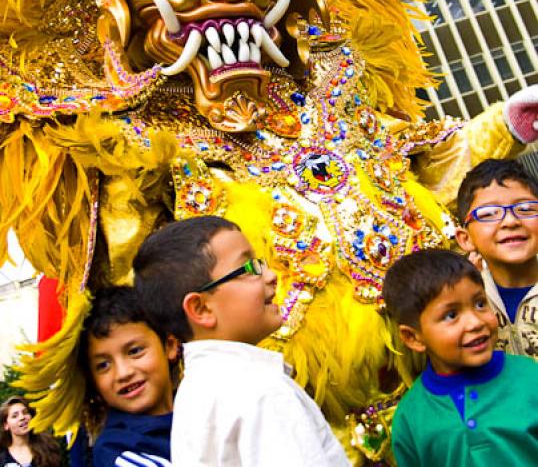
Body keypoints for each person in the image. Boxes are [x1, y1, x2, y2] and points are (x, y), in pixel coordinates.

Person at [133, 215, 350, 467]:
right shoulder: (261, 391)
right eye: (248, 269)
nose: (271, 276)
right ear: (201, 308)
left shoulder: (196, 390)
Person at [383, 248, 538, 466]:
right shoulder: (411, 418)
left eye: (480, 304)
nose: (475, 322)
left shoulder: (530, 377)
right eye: (451, 315)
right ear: (413, 338)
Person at [78, 285, 178, 467]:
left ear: (170, 346)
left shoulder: (202, 403)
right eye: (103, 365)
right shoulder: (116, 452)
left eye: (135, 351)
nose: (123, 373)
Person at [455, 157, 538, 358]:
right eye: (489, 213)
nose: (510, 221)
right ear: (465, 239)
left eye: (525, 209)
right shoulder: (464, 302)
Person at [0, 397, 61, 467]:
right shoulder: (2, 456)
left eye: (25, 412)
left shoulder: (49, 448)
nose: (22, 417)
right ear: (6, 425)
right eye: (15, 416)